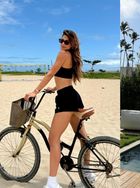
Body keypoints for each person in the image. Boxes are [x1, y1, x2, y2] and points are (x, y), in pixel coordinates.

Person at [24, 29, 93, 188]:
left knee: (53, 140)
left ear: (72, 43)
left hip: (66, 100)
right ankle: (89, 175)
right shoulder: (71, 57)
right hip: (73, 97)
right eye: (60, 41)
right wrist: (54, 88)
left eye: (66, 42)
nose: (62, 44)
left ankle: (52, 183)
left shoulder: (62, 55)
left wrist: (35, 91)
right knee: (84, 139)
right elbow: (65, 80)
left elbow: (50, 73)